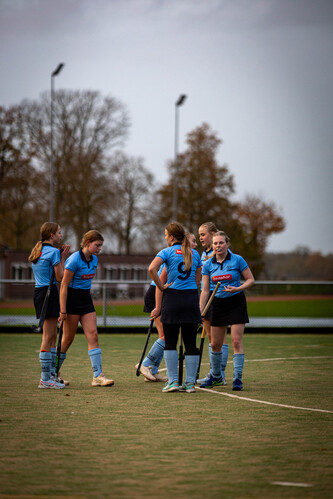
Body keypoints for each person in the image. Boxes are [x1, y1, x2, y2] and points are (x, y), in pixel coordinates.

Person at [136, 232, 198, 383]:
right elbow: (160, 285)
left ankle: (154, 370)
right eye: (193, 241)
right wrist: (158, 306)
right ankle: (146, 364)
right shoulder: (172, 255)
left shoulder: (190, 255)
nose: (195, 244)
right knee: (166, 337)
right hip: (160, 294)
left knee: (166, 337)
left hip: (172, 297)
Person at [148, 222, 202, 393]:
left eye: (165, 235)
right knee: (190, 343)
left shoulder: (166, 252)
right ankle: (190, 383)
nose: (165, 238)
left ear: (171, 237)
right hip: (191, 299)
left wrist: (162, 286)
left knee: (170, 342)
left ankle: (173, 382)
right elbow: (198, 281)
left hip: (172, 299)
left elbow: (151, 269)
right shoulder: (195, 253)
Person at [199, 231, 255, 390]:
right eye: (215, 243)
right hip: (217, 304)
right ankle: (216, 377)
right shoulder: (208, 265)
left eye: (221, 243)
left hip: (236, 302)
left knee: (236, 341)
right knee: (215, 344)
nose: (218, 246)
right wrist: (201, 311)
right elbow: (204, 291)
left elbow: (251, 280)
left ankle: (237, 379)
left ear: (227, 244)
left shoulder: (238, 259)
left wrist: (238, 288)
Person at [58, 230, 114, 387]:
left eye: (101, 246)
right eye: (97, 245)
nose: (99, 248)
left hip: (86, 300)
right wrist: (63, 310)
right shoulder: (74, 260)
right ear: (88, 243)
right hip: (71, 301)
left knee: (93, 335)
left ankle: (98, 376)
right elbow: (63, 285)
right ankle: (53, 373)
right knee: (68, 339)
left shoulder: (95, 260)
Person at [29, 222, 70, 389]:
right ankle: (45, 379)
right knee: (48, 337)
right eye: (59, 233)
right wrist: (62, 258)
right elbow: (60, 277)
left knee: (52, 336)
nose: (61, 235)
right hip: (49, 293)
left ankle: (51, 375)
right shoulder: (53, 252)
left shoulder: (38, 250)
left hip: (39, 293)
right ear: (51, 235)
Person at [197, 222, 229, 386]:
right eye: (199, 235)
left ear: (213, 233)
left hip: (217, 298)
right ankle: (215, 373)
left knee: (218, 340)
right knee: (212, 339)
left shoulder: (221, 252)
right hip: (206, 298)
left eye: (203, 234)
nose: (200, 238)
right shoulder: (205, 253)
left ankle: (219, 374)